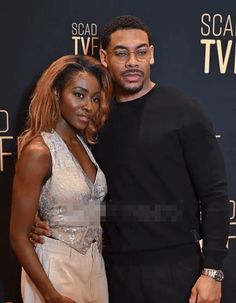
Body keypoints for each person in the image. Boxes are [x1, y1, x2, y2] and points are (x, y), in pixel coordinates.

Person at [31, 15, 230, 303]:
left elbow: (215, 195)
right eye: (121, 53)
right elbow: (69, 184)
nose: (132, 62)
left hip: (175, 268)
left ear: (152, 55)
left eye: (141, 52)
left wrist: (212, 271)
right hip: (110, 270)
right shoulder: (92, 116)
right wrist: (42, 219)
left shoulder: (184, 111)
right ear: (104, 56)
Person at [10, 54, 112, 303]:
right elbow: (18, 235)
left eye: (95, 98)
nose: (89, 105)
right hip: (53, 269)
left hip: (94, 266)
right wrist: (51, 295)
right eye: (79, 94)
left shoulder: (81, 143)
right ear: (56, 93)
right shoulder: (39, 151)